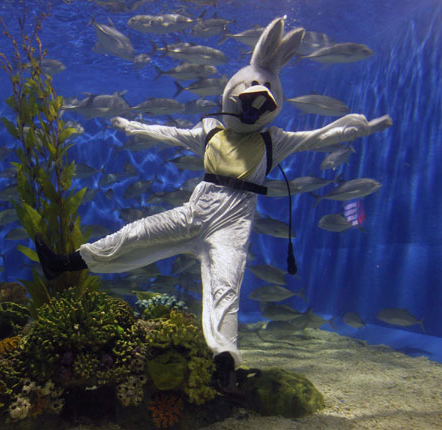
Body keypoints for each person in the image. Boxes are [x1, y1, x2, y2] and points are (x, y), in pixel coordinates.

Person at [34, 17, 392, 398]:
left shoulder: (275, 140)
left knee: (226, 287)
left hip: (232, 227)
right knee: (134, 233)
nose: (253, 108)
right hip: (195, 212)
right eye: (246, 99)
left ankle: (225, 359)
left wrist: (362, 129)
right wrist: (132, 126)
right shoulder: (210, 130)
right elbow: (171, 134)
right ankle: (63, 263)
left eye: (262, 101)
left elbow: (320, 137)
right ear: (230, 96)